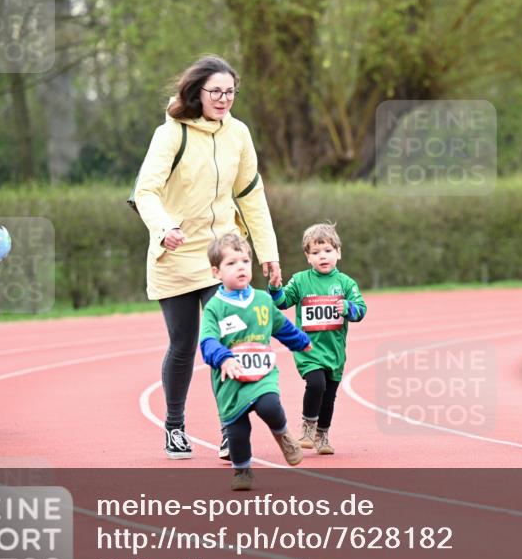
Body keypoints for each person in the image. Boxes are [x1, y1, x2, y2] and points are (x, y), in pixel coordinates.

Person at [133, 55, 283, 460]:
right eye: (216, 91)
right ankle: (175, 426)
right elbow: (145, 192)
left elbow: (250, 195)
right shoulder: (171, 135)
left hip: (223, 252)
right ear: (196, 92)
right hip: (177, 251)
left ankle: (228, 425)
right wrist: (165, 229)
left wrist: (268, 253)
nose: (223, 99)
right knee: (183, 344)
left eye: (230, 92)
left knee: (229, 341)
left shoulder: (238, 134)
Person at [199, 234, 311, 490]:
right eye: (231, 263)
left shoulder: (262, 299)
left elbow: (281, 326)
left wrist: (301, 342)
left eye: (245, 261)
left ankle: (283, 435)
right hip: (230, 379)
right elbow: (207, 342)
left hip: (262, 372)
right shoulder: (215, 307)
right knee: (237, 430)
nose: (240, 267)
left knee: (269, 405)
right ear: (216, 272)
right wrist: (223, 358)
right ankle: (242, 470)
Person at [269, 223, 367, 455]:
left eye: (327, 251)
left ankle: (323, 434)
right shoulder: (301, 280)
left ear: (338, 253)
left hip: (334, 351)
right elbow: (283, 302)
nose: (322, 256)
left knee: (329, 395)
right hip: (309, 349)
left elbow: (361, 311)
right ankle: (308, 427)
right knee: (316, 384)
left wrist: (348, 307)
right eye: (315, 252)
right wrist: (275, 288)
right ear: (308, 257)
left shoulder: (346, 283)